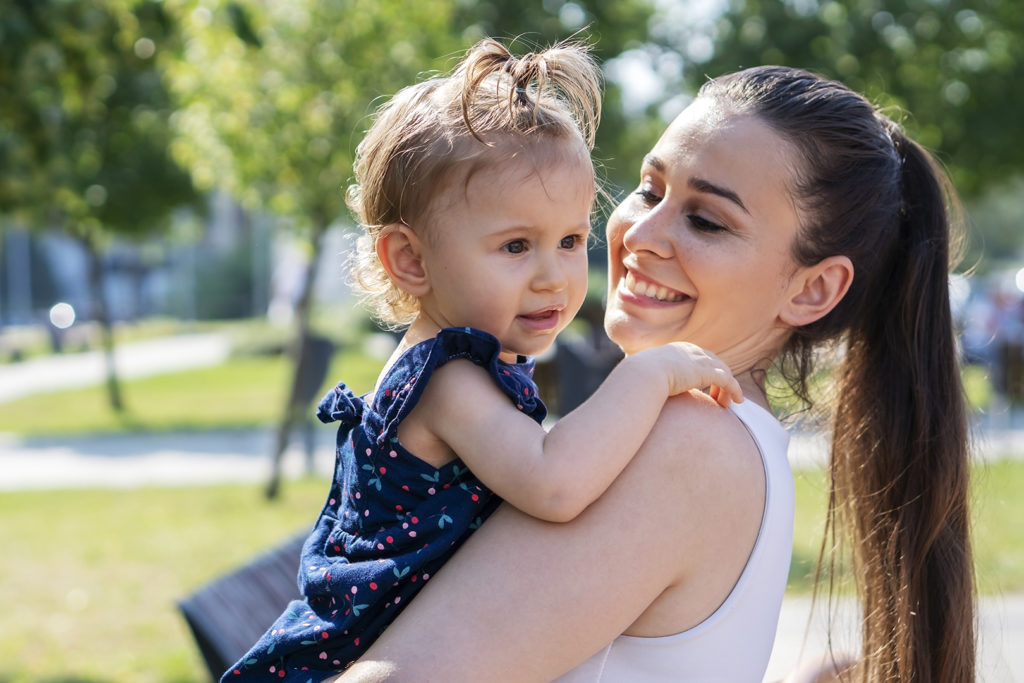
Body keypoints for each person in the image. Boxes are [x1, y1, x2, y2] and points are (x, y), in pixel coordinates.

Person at [334, 64, 975, 682]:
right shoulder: (721, 432)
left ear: (812, 291)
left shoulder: (688, 440)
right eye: (649, 188)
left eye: (705, 219)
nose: (642, 231)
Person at [221, 38, 744, 682]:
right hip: (348, 657)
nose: (554, 277)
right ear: (411, 260)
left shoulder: (469, 365)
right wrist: (649, 372)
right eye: (516, 245)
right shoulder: (445, 379)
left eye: (572, 240)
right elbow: (554, 482)